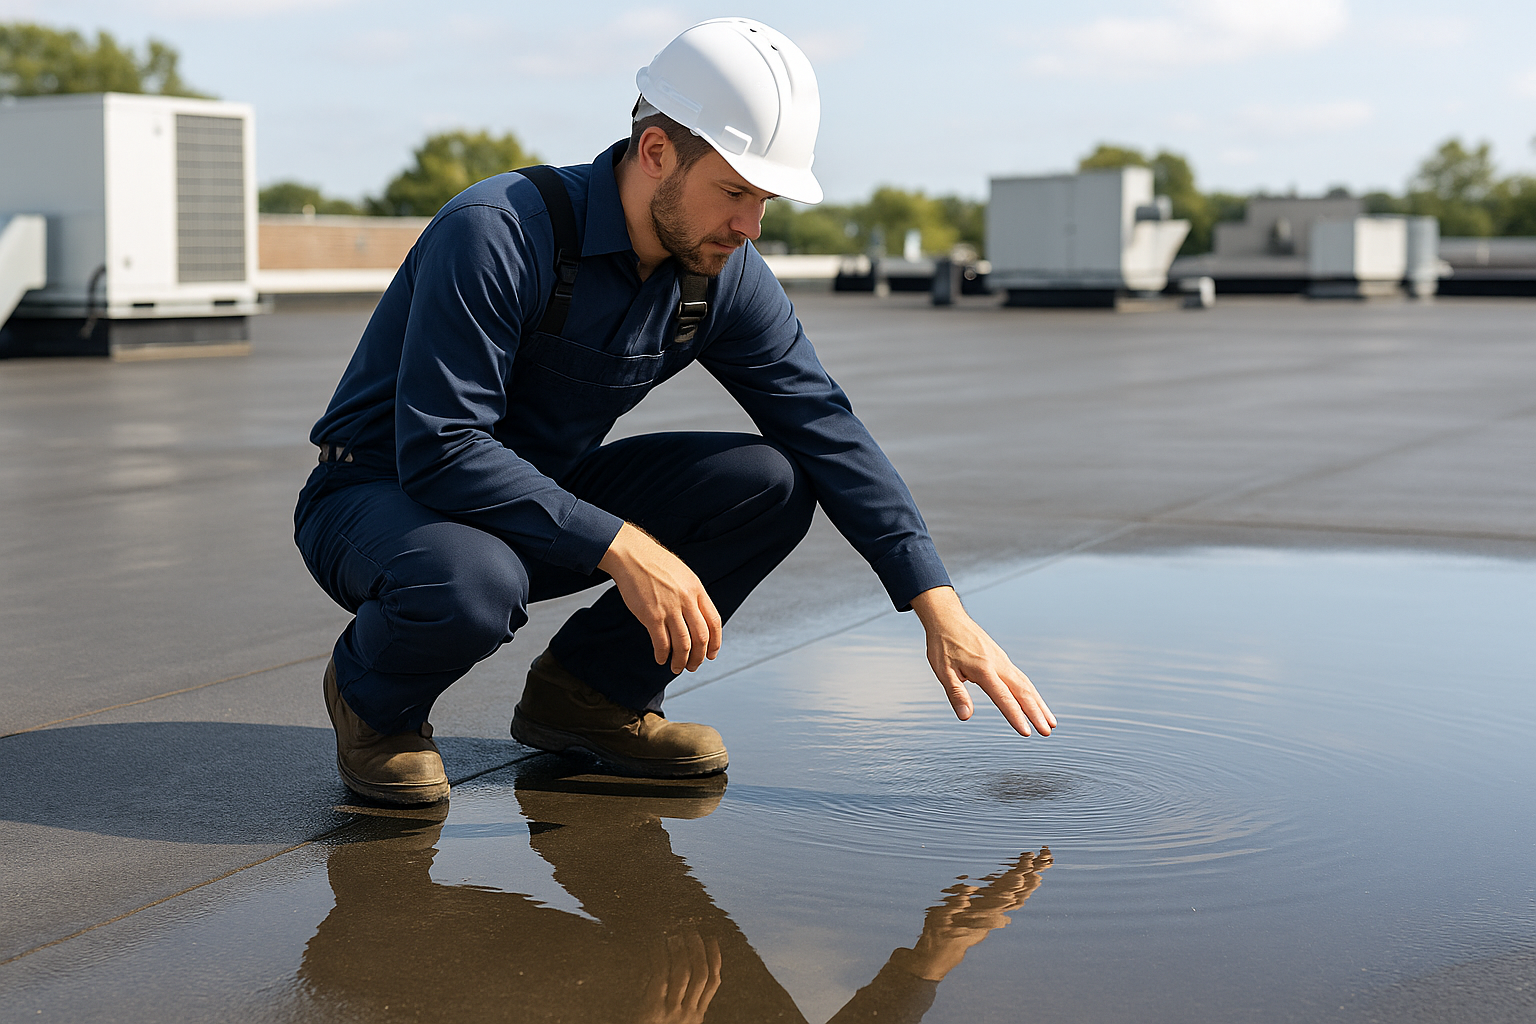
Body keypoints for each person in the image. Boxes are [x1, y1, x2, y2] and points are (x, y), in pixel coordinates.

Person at [294, 17, 1055, 806]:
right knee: (470, 582)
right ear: (656, 152)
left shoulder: (721, 273)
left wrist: (939, 606)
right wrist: (624, 546)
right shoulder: (499, 233)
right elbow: (442, 448)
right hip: (380, 498)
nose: (750, 227)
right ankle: (373, 704)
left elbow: (825, 428)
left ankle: (589, 696)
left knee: (773, 480)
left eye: (764, 200)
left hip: (532, 502)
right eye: (734, 192)